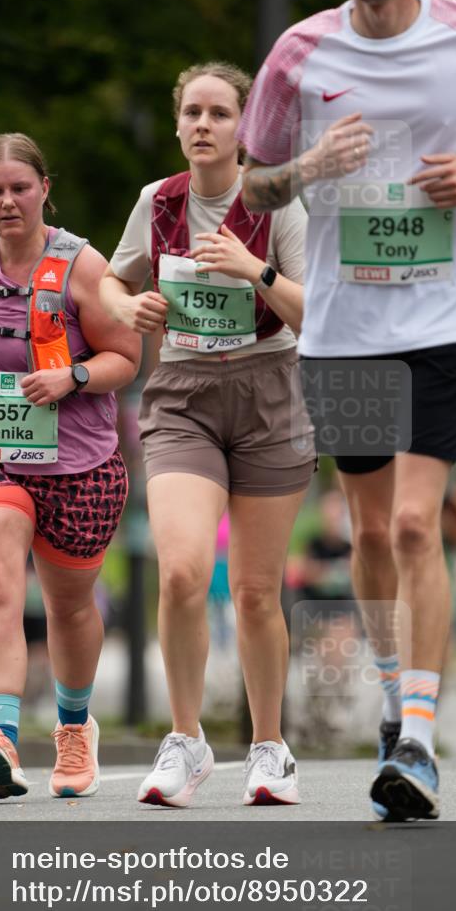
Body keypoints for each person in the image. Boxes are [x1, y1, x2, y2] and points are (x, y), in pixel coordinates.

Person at [239, 0, 456, 819]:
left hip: (445, 315)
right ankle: (391, 705)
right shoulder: (301, 52)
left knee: (418, 523)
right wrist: (309, 167)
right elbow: (253, 187)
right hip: (342, 330)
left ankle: (417, 738)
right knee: (370, 531)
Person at [100, 62, 316, 807]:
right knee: (183, 570)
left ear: (244, 126)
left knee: (256, 592)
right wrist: (129, 312)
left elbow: (311, 313)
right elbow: (111, 279)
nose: (202, 124)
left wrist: (253, 269)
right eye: (190, 112)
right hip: (183, 395)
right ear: (177, 124)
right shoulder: (156, 202)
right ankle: (185, 742)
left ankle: (268, 748)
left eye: (218, 113)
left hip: (268, 395)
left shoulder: (277, 200)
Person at [0, 133, 140, 800]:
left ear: (44, 188)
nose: (7, 200)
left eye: (20, 187)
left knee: (69, 606)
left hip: (81, 466)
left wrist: (71, 377)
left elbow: (125, 356)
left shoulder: (82, 266)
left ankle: (74, 730)